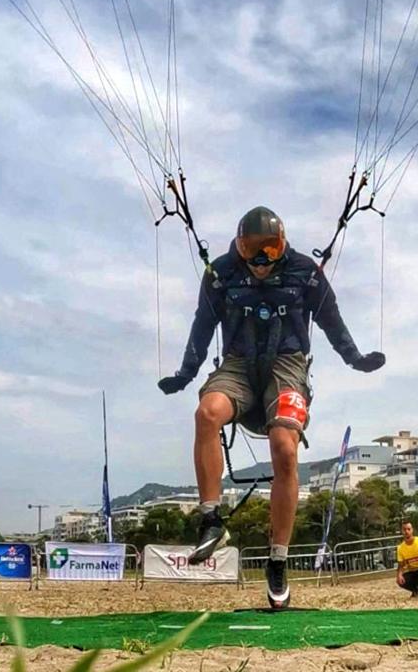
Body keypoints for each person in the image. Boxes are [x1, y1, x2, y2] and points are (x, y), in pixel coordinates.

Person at [158, 206, 384, 609]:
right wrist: (186, 372)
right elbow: (201, 325)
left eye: (271, 249)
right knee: (206, 413)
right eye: (252, 250)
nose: (261, 260)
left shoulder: (306, 273)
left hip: (288, 364)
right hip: (239, 364)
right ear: (240, 247)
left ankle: (277, 561)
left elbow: (332, 320)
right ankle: (211, 520)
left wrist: (355, 358)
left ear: (283, 246)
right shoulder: (221, 274)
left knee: (284, 446)